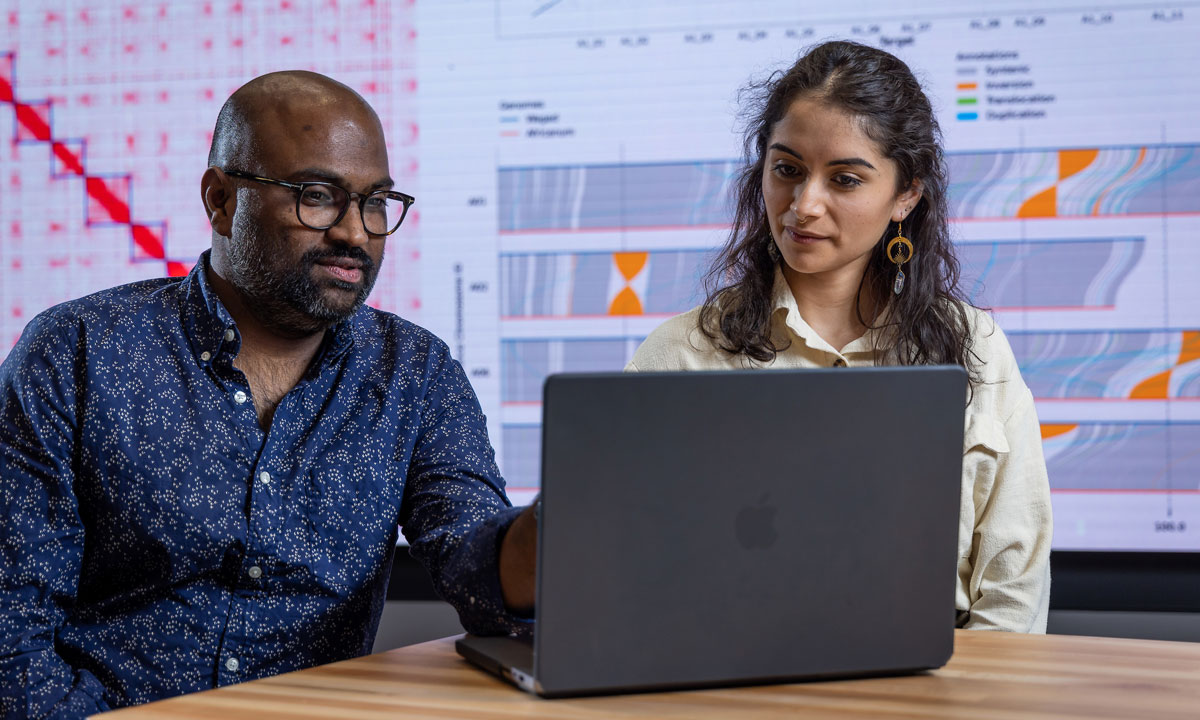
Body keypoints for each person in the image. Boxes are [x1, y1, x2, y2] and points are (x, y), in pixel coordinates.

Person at [0, 71, 536, 718]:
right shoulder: (76, 354)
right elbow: (12, 636)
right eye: (317, 195)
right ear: (221, 199)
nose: (356, 234)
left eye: (375, 203)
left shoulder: (415, 374)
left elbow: (477, 568)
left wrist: (572, 526)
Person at [627, 41, 1052, 633]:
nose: (804, 206)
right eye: (787, 170)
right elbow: (632, 573)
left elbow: (1015, 587)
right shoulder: (678, 356)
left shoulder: (975, 347)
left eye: (845, 179)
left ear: (906, 196)